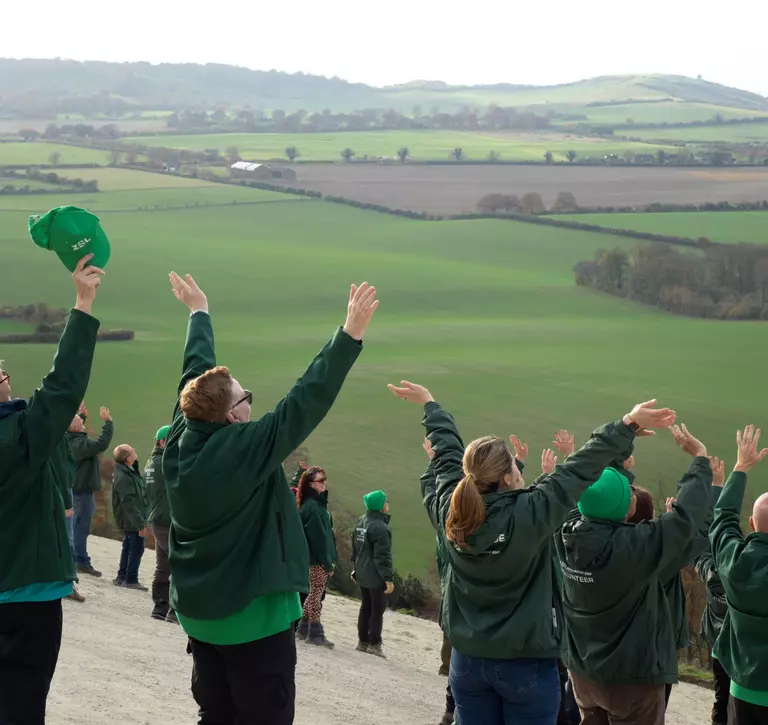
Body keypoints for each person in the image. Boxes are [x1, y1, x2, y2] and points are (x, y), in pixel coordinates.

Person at [388, 382, 673, 725]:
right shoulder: (531, 514)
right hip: (525, 665)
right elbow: (580, 467)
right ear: (508, 477)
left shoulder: (452, 511)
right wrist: (625, 425)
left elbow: (447, 455)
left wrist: (431, 407)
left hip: (466, 663)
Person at [162, 273, 378, 725]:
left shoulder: (183, 435)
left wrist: (199, 312)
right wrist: (349, 335)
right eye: (245, 398)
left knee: (215, 715)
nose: (250, 404)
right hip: (252, 622)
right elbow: (304, 400)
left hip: (200, 617)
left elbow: (194, 372)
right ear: (232, 414)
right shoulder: (243, 449)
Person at [0, 256, 104, 725]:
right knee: (22, 707)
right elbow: (62, 387)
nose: (4, 371)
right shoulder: (19, 436)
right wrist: (82, 303)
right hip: (26, 598)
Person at [556, 423, 714, 725]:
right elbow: (685, 519)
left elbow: (586, 484)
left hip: (583, 674)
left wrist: (621, 440)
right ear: (623, 511)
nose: (633, 494)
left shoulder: (566, 532)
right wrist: (700, 458)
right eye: (628, 493)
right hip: (630, 679)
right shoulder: (635, 548)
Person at [626, 458, 723, 709]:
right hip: (650, 661)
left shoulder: (607, 547)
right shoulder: (657, 561)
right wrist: (715, 489)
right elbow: (700, 534)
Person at [710, 426, 768, 725]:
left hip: (742, 687)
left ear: (752, 523)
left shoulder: (734, 561)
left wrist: (740, 467)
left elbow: (722, 520)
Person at [694, 457, 730, 725]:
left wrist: (717, 487)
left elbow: (707, 539)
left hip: (718, 647)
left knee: (721, 700)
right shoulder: (750, 575)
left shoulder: (714, 572)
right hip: (749, 655)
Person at [422, 437, 456, 725]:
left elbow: (430, 492)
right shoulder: (458, 528)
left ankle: (450, 705)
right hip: (460, 593)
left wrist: (434, 464)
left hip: (450, 589)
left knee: (450, 633)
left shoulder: (442, 521)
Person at [67, 403, 114, 577]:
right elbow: (101, 444)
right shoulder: (79, 444)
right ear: (75, 427)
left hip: (77, 490)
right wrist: (108, 423)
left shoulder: (71, 439)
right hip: (82, 492)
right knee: (81, 527)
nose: (82, 421)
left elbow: (72, 428)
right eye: (80, 420)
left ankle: (78, 559)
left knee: (77, 525)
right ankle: (81, 561)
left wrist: (82, 415)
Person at [296, 465, 337, 646]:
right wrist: (328, 563)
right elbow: (319, 539)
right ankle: (315, 633)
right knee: (315, 595)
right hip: (316, 559)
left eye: (324, 479)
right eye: (320, 480)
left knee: (314, 594)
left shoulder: (313, 505)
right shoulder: (313, 507)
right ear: (310, 484)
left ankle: (302, 629)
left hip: (315, 558)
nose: (324, 483)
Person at [351, 489, 394, 658]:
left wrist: (355, 568)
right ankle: (375, 644)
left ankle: (362, 642)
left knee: (365, 608)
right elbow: (382, 557)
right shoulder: (380, 528)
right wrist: (388, 579)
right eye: (386, 501)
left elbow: (355, 548)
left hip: (362, 572)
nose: (388, 503)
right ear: (380, 506)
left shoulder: (361, 521)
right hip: (376, 575)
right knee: (377, 610)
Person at [145, 425, 177, 621]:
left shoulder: (151, 462)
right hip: (169, 519)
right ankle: (174, 611)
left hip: (157, 519)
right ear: (164, 442)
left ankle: (159, 607)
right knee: (179, 565)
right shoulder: (166, 462)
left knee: (163, 566)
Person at [112, 444, 149, 591]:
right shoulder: (124, 477)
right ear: (128, 458)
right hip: (130, 519)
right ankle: (131, 579)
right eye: (132, 451)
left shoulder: (127, 472)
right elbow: (129, 503)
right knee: (136, 548)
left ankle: (122, 576)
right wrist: (140, 524)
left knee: (128, 546)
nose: (135, 451)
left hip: (129, 518)